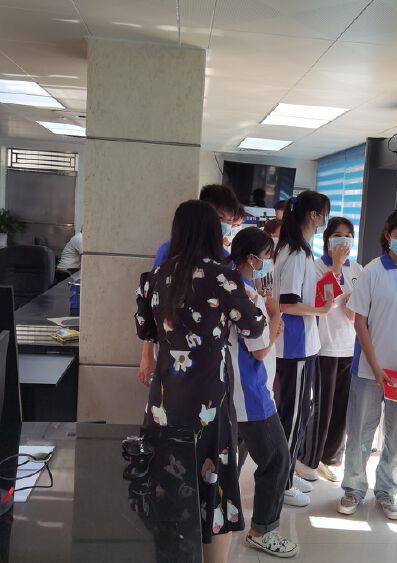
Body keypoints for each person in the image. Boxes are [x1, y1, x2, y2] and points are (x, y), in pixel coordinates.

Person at [134, 200, 266, 563]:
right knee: (213, 479)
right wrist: (261, 303)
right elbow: (253, 326)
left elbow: (145, 328)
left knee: (167, 478)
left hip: (165, 398)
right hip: (208, 396)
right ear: (212, 233)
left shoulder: (154, 277)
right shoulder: (222, 278)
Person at [337, 209, 397, 518]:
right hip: (369, 371)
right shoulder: (371, 271)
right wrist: (376, 366)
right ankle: (353, 489)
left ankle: (387, 491)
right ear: (388, 236)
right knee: (359, 433)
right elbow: (360, 322)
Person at [228, 227, 298, 559]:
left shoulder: (233, 287)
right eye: (267, 256)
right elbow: (259, 350)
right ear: (252, 259)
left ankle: (224, 517)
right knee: (277, 459)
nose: (270, 262)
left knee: (235, 458)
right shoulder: (246, 297)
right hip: (250, 394)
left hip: (237, 391)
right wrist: (275, 320)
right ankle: (262, 531)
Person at [138, 185, 241, 389]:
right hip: (171, 349)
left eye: (229, 221)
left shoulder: (226, 259)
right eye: (220, 218)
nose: (223, 225)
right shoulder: (168, 251)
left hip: (210, 356)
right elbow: (152, 305)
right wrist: (147, 355)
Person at [273, 191, 332, 507]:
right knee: (293, 416)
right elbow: (288, 303)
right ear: (314, 216)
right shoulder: (295, 252)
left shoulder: (299, 249)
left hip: (302, 344)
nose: (324, 221)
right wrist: (320, 311)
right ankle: (281, 483)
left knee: (298, 413)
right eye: (324, 214)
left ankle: (287, 473)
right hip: (294, 345)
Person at [296, 217, 362, 484]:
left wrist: (353, 306)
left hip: (349, 346)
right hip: (323, 346)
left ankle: (328, 458)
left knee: (342, 409)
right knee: (322, 407)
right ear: (327, 240)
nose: (343, 240)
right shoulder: (315, 267)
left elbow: (358, 312)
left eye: (348, 235)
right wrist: (335, 267)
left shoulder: (358, 269)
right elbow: (322, 302)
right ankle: (306, 459)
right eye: (337, 235)